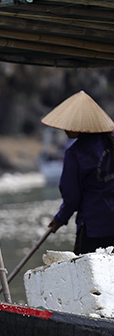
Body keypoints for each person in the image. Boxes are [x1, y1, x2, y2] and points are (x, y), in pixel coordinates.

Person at [43, 91, 114, 254]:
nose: (65, 128)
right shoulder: (110, 141)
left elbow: (72, 198)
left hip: (94, 228)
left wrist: (60, 219)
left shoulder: (76, 154)